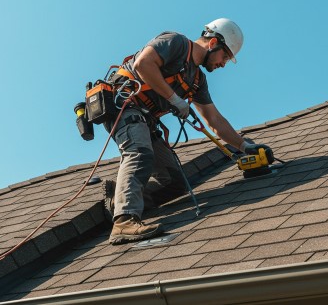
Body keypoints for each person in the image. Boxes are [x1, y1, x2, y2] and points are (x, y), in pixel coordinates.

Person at [103, 18, 259, 245]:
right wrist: (174, 99)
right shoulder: (175, 42)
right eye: (225, 56)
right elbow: (143, 65)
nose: (223, 64)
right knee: (139, 154)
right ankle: (124, 220)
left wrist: (244, 146)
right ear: (213, 42)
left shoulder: (197, 79)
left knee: (176, 183)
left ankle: (118, 201)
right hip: (124, 106)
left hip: (145, 119)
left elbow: (214, 119)